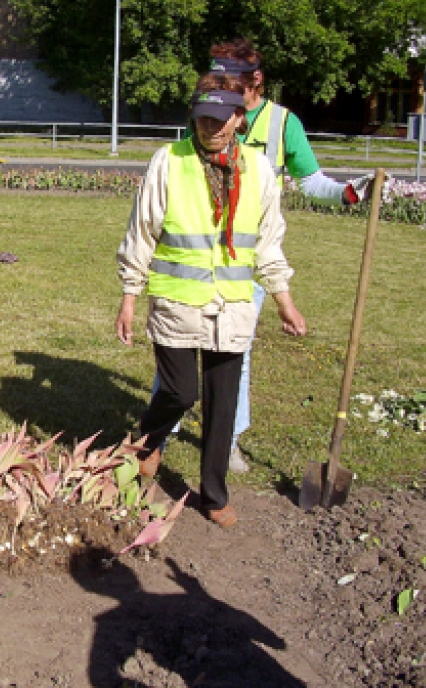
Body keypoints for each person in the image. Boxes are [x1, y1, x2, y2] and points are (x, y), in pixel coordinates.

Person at [155, 38, 380, 475]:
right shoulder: (212, 109)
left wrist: (348, 192)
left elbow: (311, 181)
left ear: (254, 80)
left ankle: (229, 440)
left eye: (229, 77)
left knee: (237, 356)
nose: (218, 83)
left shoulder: (283, 123)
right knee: (177, 347)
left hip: (247, 262)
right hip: (196, 259)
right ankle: (160, 434)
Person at [115, 73, 307, 528]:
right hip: (178, 302)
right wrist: (128, 296)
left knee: (223, 405)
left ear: (239, 118)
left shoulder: (259, 170)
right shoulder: (169, 161)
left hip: (234, 306)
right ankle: (148, 440)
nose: (211, 127)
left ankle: (214, 494)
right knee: (181, 391)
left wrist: (284, 299)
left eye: (221, 118)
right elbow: (142, 232)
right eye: (203, 118)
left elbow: (268, 242)